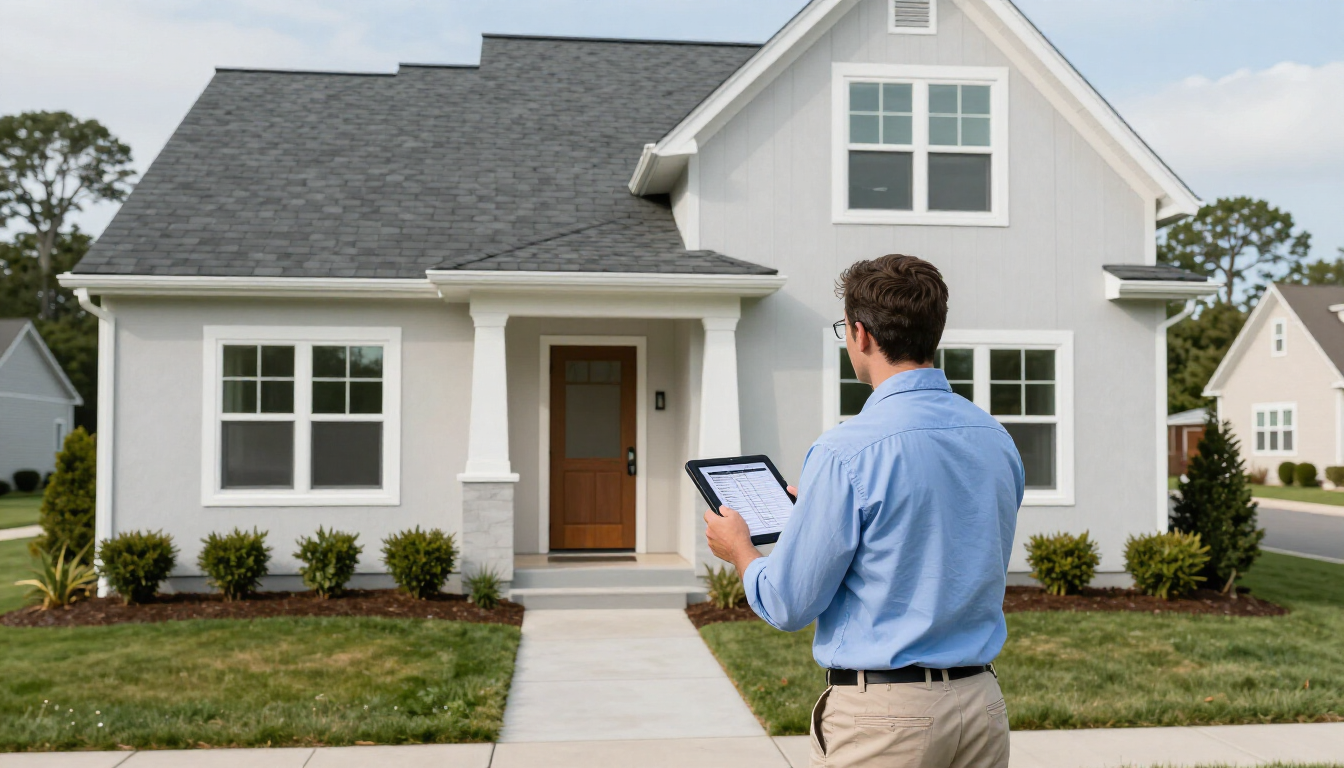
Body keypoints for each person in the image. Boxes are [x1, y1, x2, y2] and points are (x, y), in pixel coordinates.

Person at [704, 254, 1024, 768]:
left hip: (888, 720)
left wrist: (740, 550)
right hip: (981, 706)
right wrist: (816, 512)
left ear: (860, 334)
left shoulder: (846, 451)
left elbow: (787, 603)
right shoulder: (995, 439)